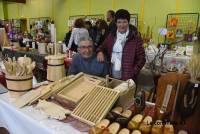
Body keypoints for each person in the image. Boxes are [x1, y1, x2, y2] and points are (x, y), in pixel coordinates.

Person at [97, 9, 146, 81]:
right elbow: (101, 47)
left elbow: (142, 58)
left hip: (128, 79)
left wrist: (133, 73)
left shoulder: (135, 38)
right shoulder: (111, 36)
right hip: (112, 76)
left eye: (124, 22)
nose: (122, 25)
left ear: (128, 22)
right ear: (116, 23)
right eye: (119, 22)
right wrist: (99, 52)